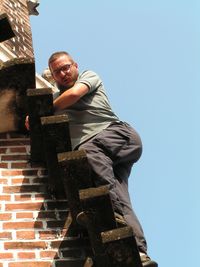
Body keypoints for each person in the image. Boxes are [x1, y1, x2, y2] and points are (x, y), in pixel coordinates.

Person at [27, 51, 157, 267]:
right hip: (104, 157)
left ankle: (111, 213)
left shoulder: (88, 76)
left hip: (118, 136)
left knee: (87, 151)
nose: (63, 73)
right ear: (53, 76)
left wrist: (42, 111)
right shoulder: (55, 101)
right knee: (120, 198)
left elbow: (74, 94)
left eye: (66, 67)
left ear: (75, 65)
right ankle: (140, 253)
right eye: (57, 71)